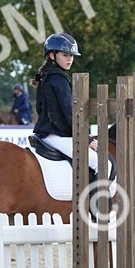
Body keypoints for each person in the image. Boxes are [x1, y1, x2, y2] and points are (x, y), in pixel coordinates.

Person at [31, 32, 100, 176]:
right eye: (65, 55)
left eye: (71, 56)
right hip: (57, 135)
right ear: (52, 55)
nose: (69, 59)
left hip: (48, 134)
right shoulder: (58, 79)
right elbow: (70, 113)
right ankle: (94, 199)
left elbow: (39, 109)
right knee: (99, 163)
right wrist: (86, 139)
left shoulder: (47, 76)